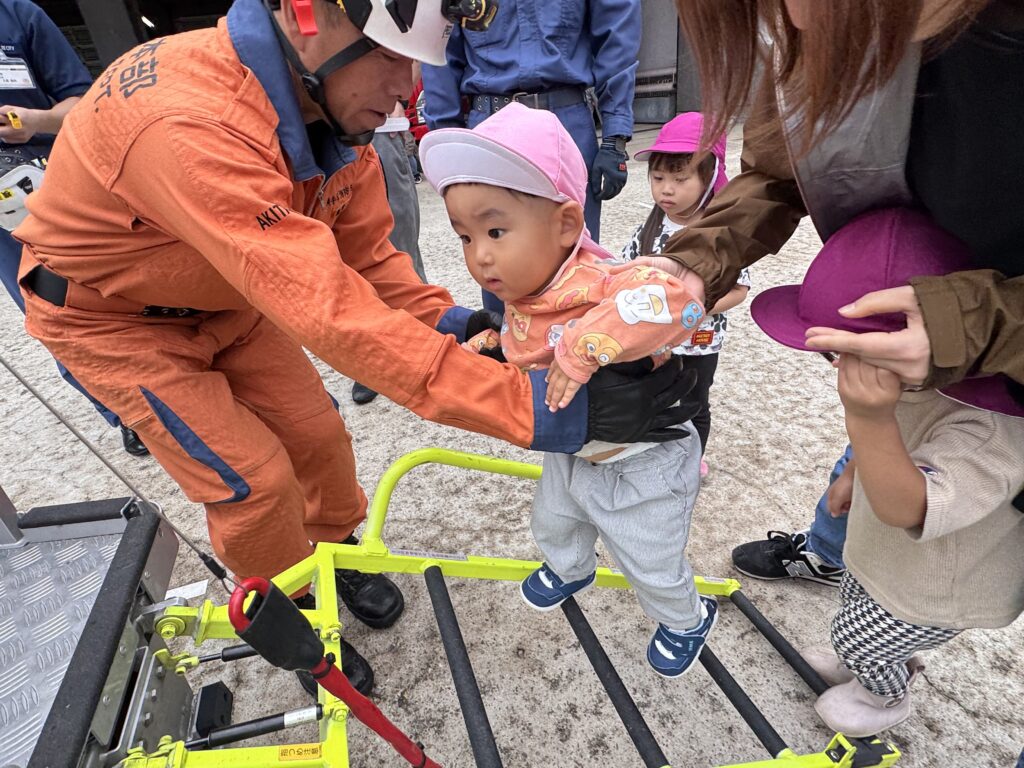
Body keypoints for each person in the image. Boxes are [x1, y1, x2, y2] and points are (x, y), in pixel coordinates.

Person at [12, 0, 694, 694]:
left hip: (227, 296)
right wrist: (534, 412)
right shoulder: (189, 121)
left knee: (318, 434)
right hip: (114, 322)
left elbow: (370, 262)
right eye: (393, 58)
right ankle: (297, 617)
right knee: (252, 481)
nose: (408, 88)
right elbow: (330, 312)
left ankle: (336, 554)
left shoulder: (330, 117)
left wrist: (458, 327)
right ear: (307, 15)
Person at [655, 0, 1024, 574]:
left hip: (1003, 375)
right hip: (914, 342)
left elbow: (915, 505)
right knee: (877, 429)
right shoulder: (803, 28)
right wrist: (699, 258)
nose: (793, 19)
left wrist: (976, 322)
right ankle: (831, 552)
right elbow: (778, 172)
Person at [420, 103, 718, 679]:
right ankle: (571, 567)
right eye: (465, 236)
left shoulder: (596, 278)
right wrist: (494, 348)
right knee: (555, 520)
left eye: (496, 231)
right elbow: (527, 342)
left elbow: (677, 300)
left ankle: (686, 618)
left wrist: (584, 347)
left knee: (648, 556)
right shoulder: (527, 287)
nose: (480, 255)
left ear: (564, 225)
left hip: (644, 458)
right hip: (575, 448)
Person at [750, 207, 1024, 735]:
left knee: (861, 637)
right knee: (855, 609)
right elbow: (896, 441)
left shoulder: (992, 427)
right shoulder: (919, 383)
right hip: (886, 559)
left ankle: (883, 696)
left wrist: (868, 418)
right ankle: (869, 661)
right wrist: (854, 471)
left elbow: (910, 507)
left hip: (937, 585)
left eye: (849, 353)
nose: (837, 366)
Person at [0, 0, 148, 457]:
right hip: (5, 226)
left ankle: (190, 379)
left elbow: (83, 102)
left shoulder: (17, 14)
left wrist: (33, 122)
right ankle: (127, 411)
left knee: (124, 284)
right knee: (52, 308)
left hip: (57, 179)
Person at [420, 0, 641, 245]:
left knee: (576, 251)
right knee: (496, 256)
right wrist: (448, 145)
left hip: (566, 127)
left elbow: (616, 36)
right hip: (490, 131)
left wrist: (614, 139)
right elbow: (439, 53)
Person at [621, 113, 751, 477]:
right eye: (658, 178)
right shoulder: (649, 228)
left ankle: (691, 463)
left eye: (680, 180)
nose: (666, 190)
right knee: (651, 398)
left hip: (699, 342)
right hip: (652, 339)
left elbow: (739, 289)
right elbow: (626, 272)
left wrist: (695, 307)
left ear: (710, 178)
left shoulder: (720, 232)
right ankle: (652, 460)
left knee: (694, 403)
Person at [354, 97, 428, 405]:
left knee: (401, 239)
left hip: (380, 127)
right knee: (348, 250)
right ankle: (371, 353)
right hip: (326, 130)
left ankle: (423, 342)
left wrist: (396, 99)